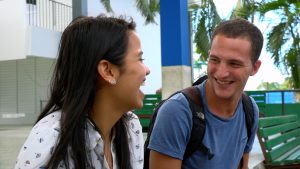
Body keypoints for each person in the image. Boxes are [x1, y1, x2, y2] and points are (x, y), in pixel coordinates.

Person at [15, 15, 150, 169]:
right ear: (108, 71)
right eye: (140, 59)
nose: (147, 70)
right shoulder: (50, 141)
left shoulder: (131, 127)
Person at [147, 18, 263, 169]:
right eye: (214, 60)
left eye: (234, 63)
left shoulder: (249, 110)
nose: (221, 73)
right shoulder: (177, 112)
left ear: (255, 67)